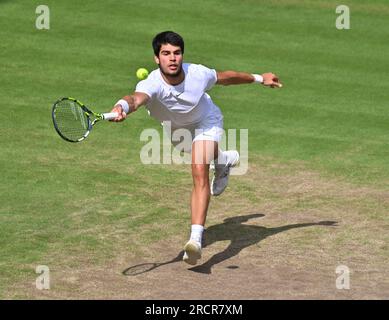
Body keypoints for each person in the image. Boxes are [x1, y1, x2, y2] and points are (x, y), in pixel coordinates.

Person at [110, 31, 282, 265]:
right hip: (177, 131)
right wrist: (122, 107)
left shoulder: (197, 74)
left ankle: (195, 240)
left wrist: (260, 78)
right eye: (166, 53)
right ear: (156, 58)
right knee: (199, 156)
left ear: (182, 55)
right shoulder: (151, 83)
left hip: (206, 121)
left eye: (177, 53)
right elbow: (135, 99)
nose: (172, 58)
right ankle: (223, 161)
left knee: (199, 169)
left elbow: (226, 77)